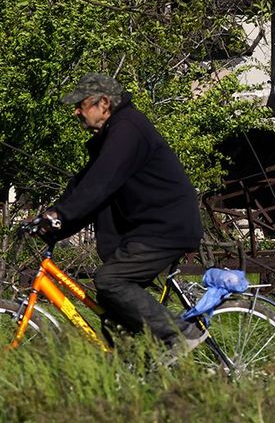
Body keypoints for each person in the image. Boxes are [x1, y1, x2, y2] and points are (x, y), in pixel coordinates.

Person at [38, 72, 205, 353]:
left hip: (165, 228)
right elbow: (84, 186)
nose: (75, 112)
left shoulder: (127, 130)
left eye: (81, 104)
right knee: (114, 313)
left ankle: (179, 334)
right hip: (151, 228)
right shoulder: (113, 135)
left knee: (110, 280)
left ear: (103, 103)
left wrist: (61, 217)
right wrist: (53, 218)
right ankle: (135, 375)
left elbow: (99, 185)